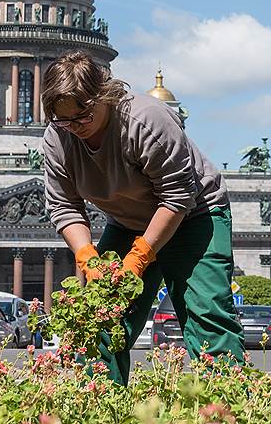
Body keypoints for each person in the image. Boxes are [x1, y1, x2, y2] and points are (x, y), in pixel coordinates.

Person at [41, 50, 244, 385]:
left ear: (103, 96)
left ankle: (230, 419)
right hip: (128, 222)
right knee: (102, 316)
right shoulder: (58, 136)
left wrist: (140, 256)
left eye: (83, 117)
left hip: (195, 216)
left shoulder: (147, 121)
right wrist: (86, 256)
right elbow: (64, 205)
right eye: (64, 120)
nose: (75, 128)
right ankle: (100, 421)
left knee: (207, 315)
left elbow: (177, 197)